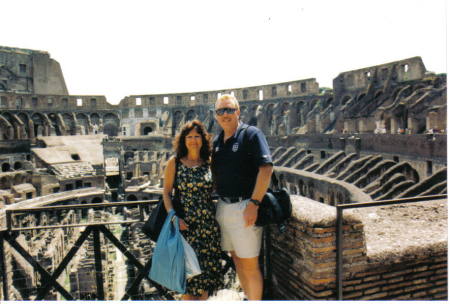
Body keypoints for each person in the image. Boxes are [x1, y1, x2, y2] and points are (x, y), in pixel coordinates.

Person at [211, 94, 273, 301]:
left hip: (245, 205)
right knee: (236, 258)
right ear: (216, 115)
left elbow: (266, 170)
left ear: (238, 112)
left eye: (229, 109)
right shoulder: (218, 141)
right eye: (221, 111)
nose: (225, 114)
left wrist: (254, 204)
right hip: (224, 206)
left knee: (250, 264)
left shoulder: (251, 134)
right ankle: (247, 297)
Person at [162, 119, 223, 300]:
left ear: (203, 139)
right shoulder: (175, 163)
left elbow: (217, 189)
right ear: (183, 140)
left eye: (197, 136)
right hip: (185, 228)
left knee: (204, 282)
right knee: (187, 284)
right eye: (189, 137)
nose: (193, 140)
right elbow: (166, 193)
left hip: (207, 229)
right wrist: (173, 218)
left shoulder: (209, 162)